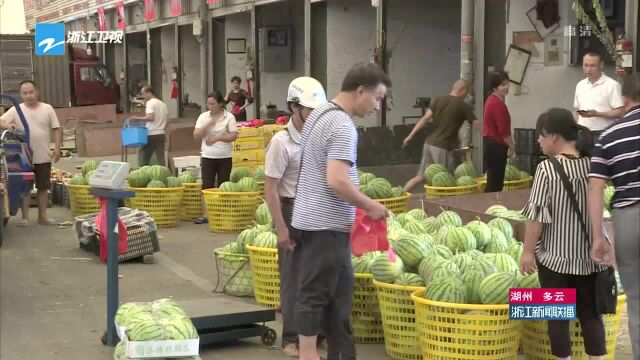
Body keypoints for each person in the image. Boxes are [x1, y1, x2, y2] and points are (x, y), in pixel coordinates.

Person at [291, 63, 390, 360]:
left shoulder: (319, 113)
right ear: (360, 91)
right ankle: (308, 354)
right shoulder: (342, 126)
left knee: (339, 295)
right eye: (377, 98)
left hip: (310, 220)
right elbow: (336, 180)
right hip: (325, 226)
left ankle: (342, 353)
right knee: (316, 293)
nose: (377, 106)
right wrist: (370, 205)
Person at [520, 108, 607, 359]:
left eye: (540, 135)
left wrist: (527, 251)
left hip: (555, 261)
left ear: (554, 137)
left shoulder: (547, 170)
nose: (538, 140)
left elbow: (536, 216)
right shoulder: (593, 165)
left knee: (558, 318)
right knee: (591, 316)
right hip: (591, 260)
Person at [263, 77, 327, 357]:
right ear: (294, 107)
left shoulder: (322, 138)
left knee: (319, 275)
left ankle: (317, 334)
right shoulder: (281, 143)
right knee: (293, 277)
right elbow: (271, 189)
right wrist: (281, 228)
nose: (315, 116)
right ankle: (290, 338)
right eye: (310, 110)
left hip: (318, 210)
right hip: (291, 210)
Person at [588, 73, 640, 359]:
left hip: (628, 218)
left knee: (636, 299)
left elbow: (595, 187)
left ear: (624, 99)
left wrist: (599, 236)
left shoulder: (609, 136)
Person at [0, 80, 61, 226]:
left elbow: (56, 128)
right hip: (23, 157)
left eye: (31, 92)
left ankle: (43, 217)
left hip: (43, 155)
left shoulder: (47, 108)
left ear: (37, 91)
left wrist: (57, 148)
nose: (28, 96)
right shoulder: (16, 109)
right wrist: (8, 124)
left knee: (43, 187)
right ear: (21, 95)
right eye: (25, 93)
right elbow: (0, 121)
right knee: (25, 188)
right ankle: (25, 218)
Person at [402, 79, 479, 192]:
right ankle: (443, 204)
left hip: (429, 144)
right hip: (443, 146)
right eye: (466, 93)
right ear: (462, 90)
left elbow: (425, 118)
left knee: (421, 176)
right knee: (446, 178)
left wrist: (410, 135)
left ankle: (402, 194)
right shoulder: (462, 105)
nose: (466, 96)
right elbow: (477, 124)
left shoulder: (438, 100)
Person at [193, 91, 238, 224]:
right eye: (208, 104)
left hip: (225, 156)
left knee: (223, 184)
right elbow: (196, 135)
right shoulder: (203, 116)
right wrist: (207, 125)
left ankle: (222, 212)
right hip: (208, 156)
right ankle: (206, 215)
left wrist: (217, 138)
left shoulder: (229, 117)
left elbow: (233, 135)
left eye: (213, 104)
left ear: (220, 104)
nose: (210, 106)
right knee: (207, 185)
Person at [573, 52, 624, 138]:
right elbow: (576, 110)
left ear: (601, 65)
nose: (588, 69)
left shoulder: (612, 85)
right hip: (583, 133)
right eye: (585, 65)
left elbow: (620, 112)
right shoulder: (580, 85)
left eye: (592, 66)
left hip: (604, 132)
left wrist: (597, 114)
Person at [483, 70, 515, 193]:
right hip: (495, 146)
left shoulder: (493, 100)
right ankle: (491, 207)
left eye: (507, 83)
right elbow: (504, 132)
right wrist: (513, 147)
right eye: (502, 85)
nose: (506, 87)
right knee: (495, 184)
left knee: (493, 180)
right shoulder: (496, 104)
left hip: (492, 145)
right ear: (494, 88)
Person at [129, 86, 168, 167]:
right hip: (161, 134)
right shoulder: (163, 104)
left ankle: (142, 172)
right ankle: (164, 172)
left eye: (143, 94)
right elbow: (167, 120)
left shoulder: (150, 103)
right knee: (161, 157)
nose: (143, 96)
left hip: (151, 133)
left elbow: (150, 117)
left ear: (149, 93)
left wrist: (137, 118)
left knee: (144, 157)